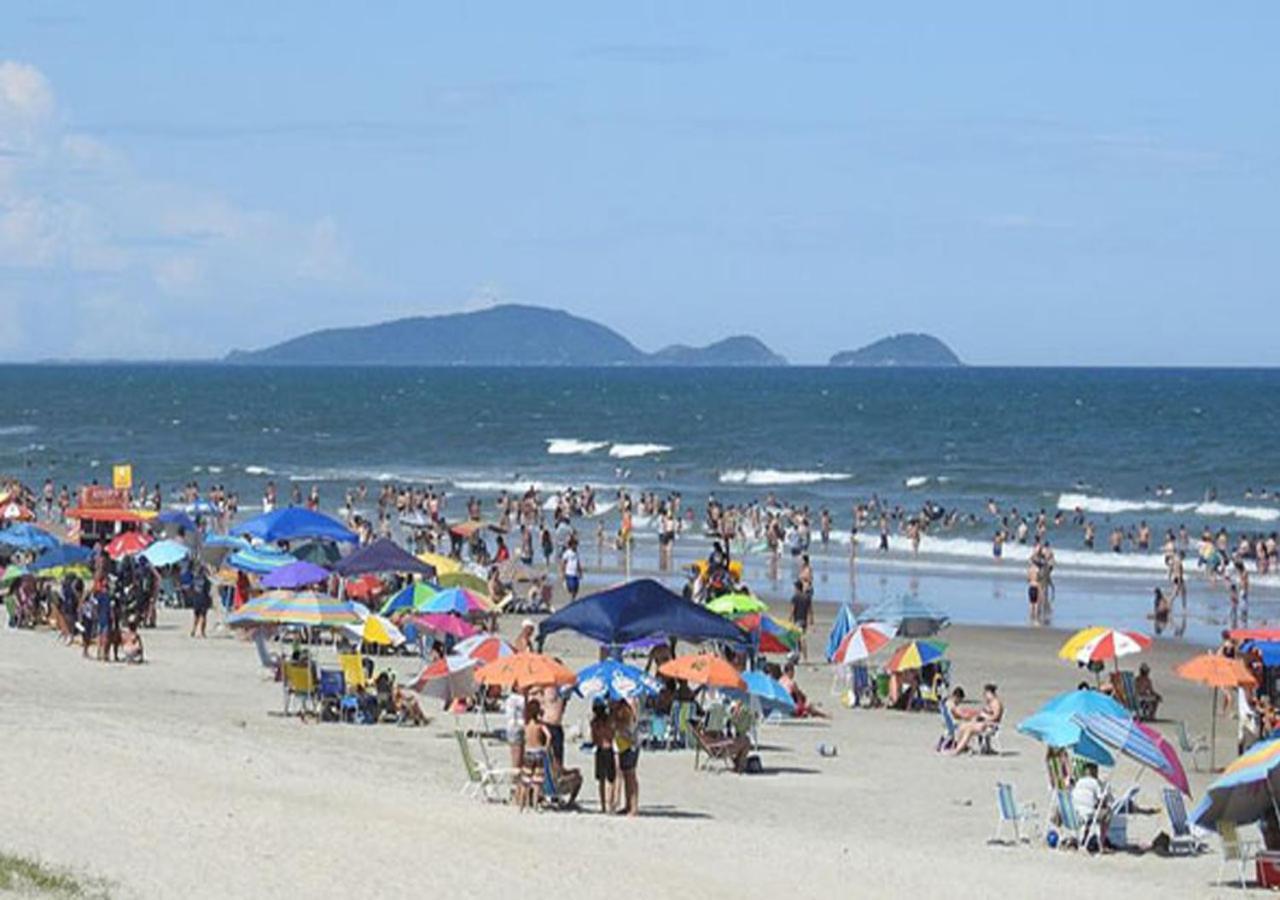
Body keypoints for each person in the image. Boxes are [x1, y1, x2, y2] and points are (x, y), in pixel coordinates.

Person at [945, 683, 1003, 755]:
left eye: (985, 693)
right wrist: (978, 716)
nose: (984, 695)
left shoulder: (996, 703)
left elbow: (996, 718)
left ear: (990, 693)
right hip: (985, 724)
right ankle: (962, 746)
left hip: (991, 726)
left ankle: (957, 751)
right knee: (963, 726)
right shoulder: (990, 702)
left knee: (969, 730)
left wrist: (984, 716)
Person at [1070, 762, 1111, 845]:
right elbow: (1101, 801)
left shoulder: (1079, 782)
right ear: (1094, 771)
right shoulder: (1095, 782)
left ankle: (1085, 837)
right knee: (1107, 813)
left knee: (1090, 812)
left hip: (1076, 813)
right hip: (1088, 814)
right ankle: (1102, 842)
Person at [612, 698, 639, 817]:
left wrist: (616, 725)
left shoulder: (627, 710)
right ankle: (629, 805)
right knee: (627, 776)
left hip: (630, 746)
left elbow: (627, 730)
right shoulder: (620, 710)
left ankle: (633, 807)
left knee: (630, 776)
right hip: (624, 746)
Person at [590, 699, 617, 814]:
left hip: (600, 750)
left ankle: (603, 805)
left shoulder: (594, 723)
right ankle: (610, 804)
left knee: (601, 780)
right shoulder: (609, 721)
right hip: (608, 749)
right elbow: (612, 734)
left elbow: (594, 739)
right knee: (610, 779)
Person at [789, 579, 813, 661]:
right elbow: (810, 610)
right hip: (804, 621)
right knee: (801, 638)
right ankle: (803, 657)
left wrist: (789, 619)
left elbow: (792, 610)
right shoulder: (807, 597)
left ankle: (801, 657)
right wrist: (811, 620)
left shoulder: (795, 597)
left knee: (799, 639)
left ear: (796, 588)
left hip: (797, 620)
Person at [560, 537, 581, 601]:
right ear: (571, 545)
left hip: (575, 573)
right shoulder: (567, 553)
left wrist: (580, 571)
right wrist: (562, 573)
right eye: (574, 544)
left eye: (576, 545)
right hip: (569, 573)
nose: (575, 546)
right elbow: (563, 563)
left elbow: (578, 562)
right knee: (572, 588)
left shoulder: (576, 553)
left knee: (576, 588)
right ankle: (572, 599)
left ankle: (573, 598)